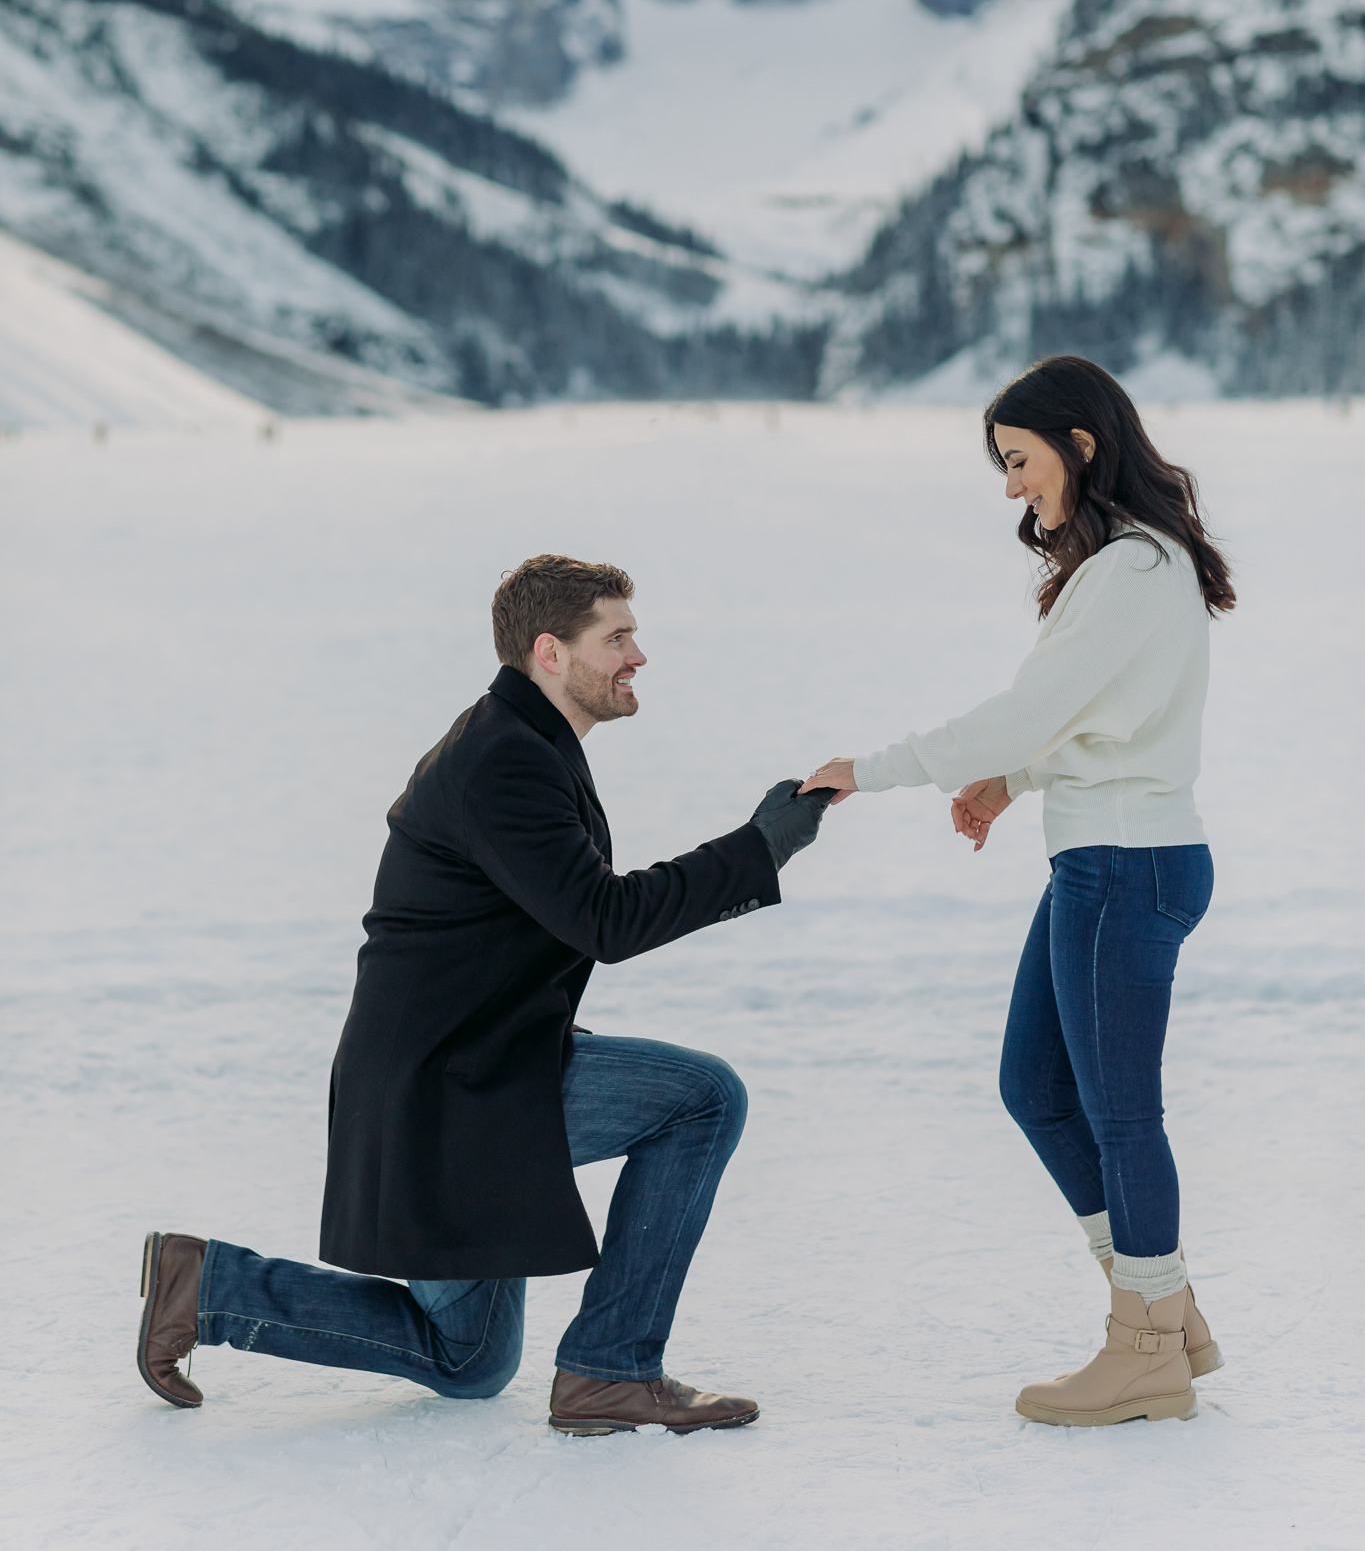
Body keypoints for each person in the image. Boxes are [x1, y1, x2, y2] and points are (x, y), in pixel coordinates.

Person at [138, 554, 832, 1435]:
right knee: (701, 1099)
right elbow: (605, 921)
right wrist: (758, 847)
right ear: (550, 651)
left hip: (478, 1066)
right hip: (450, 1091)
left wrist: (758, 846)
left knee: (466, 1361)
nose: (638, 657)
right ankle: (610, 1369)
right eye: (616, 637)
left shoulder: (519, 742)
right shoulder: (501, 762)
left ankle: (209, 1288)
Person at [803, 355, 1235, 1428]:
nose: (1010, 486)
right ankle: (1164, 1309)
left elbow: (1028, 707)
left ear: (1081, 444)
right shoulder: (1139, 564)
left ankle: (1144, 1350)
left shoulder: (1132, 568)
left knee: (1122, 1114)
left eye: (1019, 459)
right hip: (1112, 853)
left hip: (1123, 863)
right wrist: (1017, 779)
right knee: (1034, 1083)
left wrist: (874, 766)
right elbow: (1102, 717)